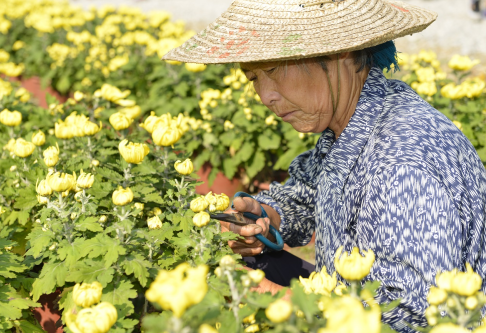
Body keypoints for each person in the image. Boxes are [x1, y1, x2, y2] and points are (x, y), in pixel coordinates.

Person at [163, 0, 486, 332]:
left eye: (272, 71)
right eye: (253, 78)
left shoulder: (401, 163)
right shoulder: (356, 119)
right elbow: (308, 194)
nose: (265, 95)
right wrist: (266, 218)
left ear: (337, 56)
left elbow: (414, 316)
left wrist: (280, 302)